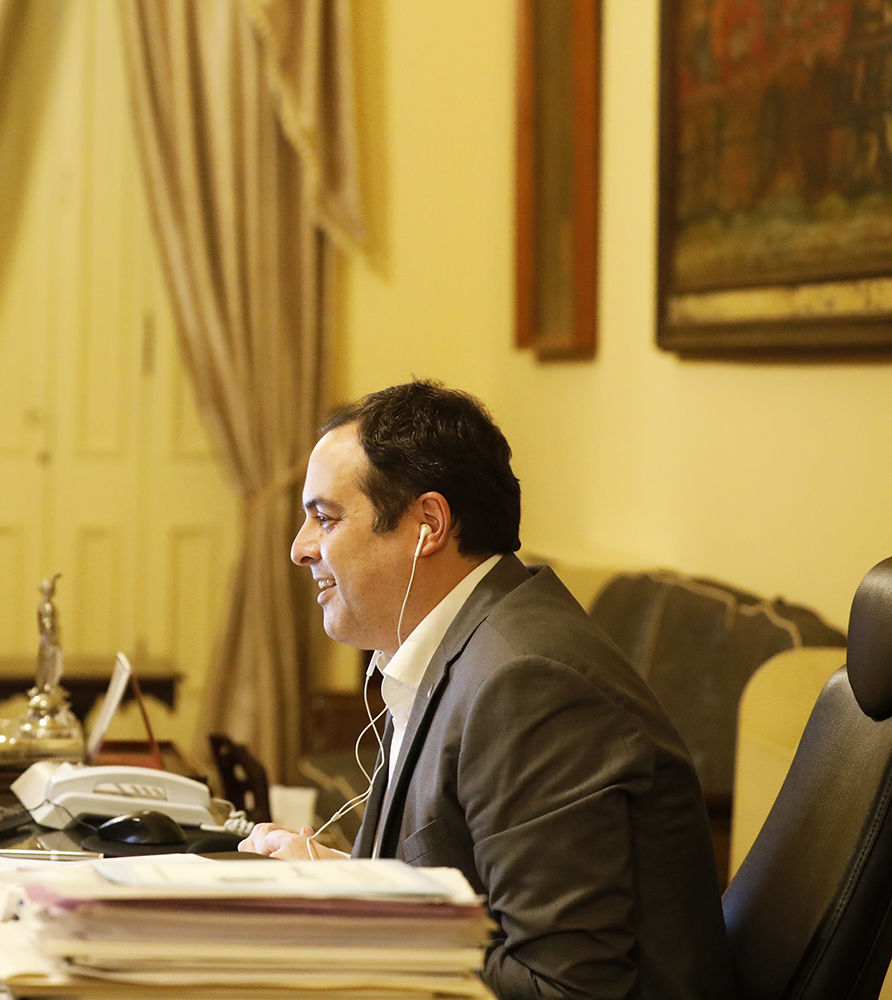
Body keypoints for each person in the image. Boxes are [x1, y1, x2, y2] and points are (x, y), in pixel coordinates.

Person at [240, 380, 734, 1000]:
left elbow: (562, 986)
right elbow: (469, 895)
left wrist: (348, 913)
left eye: (326, 518)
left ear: (428, 525)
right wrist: (329, 880)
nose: (300, 548)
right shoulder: (451, 642)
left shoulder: (528, 682)